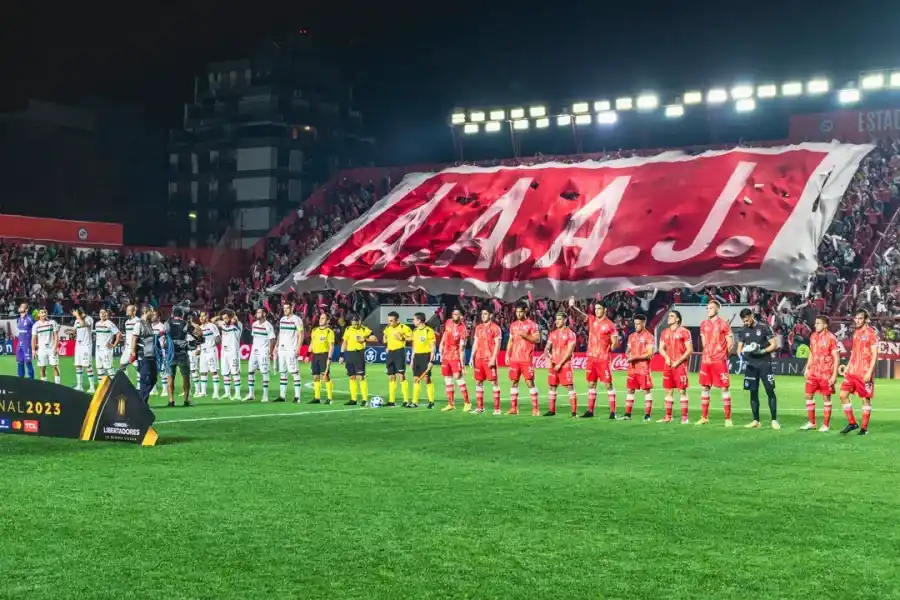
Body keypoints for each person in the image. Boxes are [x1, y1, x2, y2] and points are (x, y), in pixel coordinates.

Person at [569, 297, 618, 419]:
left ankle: (613, 412)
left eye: (599, 309)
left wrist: (607, 351)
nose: (597, 311)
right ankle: (590, 411)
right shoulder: (592, 320)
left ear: (605, 310)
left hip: (603, 359)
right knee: (591, 384)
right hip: (591, 358)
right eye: (595, 309)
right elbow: (581, 315)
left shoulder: (610, 325)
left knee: (608, 385)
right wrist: (572, 307)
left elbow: (615, 343)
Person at [737, 308, 780, 429]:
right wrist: (741, 354)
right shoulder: (742, 330)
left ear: (752, 316)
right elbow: (739, 347)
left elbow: (774, 344)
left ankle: (774, 420)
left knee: (769, 390)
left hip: (764, 363)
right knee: (753, 392)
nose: (746, 323)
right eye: (744, 321)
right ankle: (756, 420)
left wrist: (762, 351)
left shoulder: (764, 327)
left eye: (747, 320)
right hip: (751, 365)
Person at [838, 309, 879, 435]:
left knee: (865, 399)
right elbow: (854, 352)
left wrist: (869, 373)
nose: (857, 320)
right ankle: (852, 423)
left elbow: (875, 355)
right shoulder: (855, 333)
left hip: (864, 371)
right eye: (856, 318)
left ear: (866, 319)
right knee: (843, 395)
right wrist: (848, 366)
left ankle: (864, 428)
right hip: (852, 371)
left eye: (860, 318)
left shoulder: (871, 333)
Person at [697, 300, 734, 426]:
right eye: (708, 308)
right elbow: (703, 342)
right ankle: (704, 417)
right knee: (705, 387)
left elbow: (730, 343)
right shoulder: (703, 324)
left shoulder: (723, 324)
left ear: (717, 309)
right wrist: (708, 352)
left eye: (711, 308)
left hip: (719, 360)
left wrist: (724, 355)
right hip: (706, 360)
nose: (708, 310)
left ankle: (728, 419)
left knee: (724, 387)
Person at [802, 315, 840, 432]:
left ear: (825, 325)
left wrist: (834, 375)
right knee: (808, 395)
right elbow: (812, 353)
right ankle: (812, 423)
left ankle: (825, 425)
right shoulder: (813, 336)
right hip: (813, 371)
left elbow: (836, 357)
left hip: (826, 373)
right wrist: (807, 368)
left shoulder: (831, 338)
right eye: (815, 323)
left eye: (818, 323)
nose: (815, 325)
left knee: (826, 398)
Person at [658, 309, 692, 424]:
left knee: (682, 391)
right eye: (669, 316)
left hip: (680, 366)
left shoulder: (684, 332)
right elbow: (661, 349)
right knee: (668, 391)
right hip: (668, 365)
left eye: (671, 316)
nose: (669, 317)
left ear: (677, 319)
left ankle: (684, 418)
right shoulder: (664, 332)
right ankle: (668, 417)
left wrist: (678, 361)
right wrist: (667, 358)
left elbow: (689, 350)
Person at [507, 302, 540, 416]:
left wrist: (525, 336)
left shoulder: (532, 325)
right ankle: (514, 408)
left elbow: (537, 340)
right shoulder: (513, 325)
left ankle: (535, 409)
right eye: (516, 311)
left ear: (526, 311)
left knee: (529, 382)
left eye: (520, 311)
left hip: (526, 358)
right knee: (514, 382)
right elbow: (510, 341)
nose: (518, 314)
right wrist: (507, 354)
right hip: (515, 358)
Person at [166, 306, 203, 407]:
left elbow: (164, 335)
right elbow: (199, 333)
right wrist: (192, 323)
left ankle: (171, 400)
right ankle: (186, 399)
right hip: (182, 353)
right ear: (182, 315)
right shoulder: (185, 324)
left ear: (173, 314)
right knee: (185, 377)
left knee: (170, 378)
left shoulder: (168, 323)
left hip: (171, 353)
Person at [543, 312, 577, 417]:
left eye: (559, 319)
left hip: (565, 364)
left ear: (565, 320)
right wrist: (547, 356)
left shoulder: (570, 334)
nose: (557, 321)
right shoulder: (552, 334)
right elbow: (546, 349)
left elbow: (570, 352)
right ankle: (551, 411)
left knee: (570, 387)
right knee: (552, 386)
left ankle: (574, 412)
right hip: (554, 364)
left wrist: (560, 364)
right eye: (556, 319)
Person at [469, 308, 502, 415]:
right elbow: (475, 343)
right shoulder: (478, 328)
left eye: (485, 313)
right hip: (479, 358)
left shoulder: (495, 328)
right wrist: (471, 357)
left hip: (489, 359)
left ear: (491, 315)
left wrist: (493, 358)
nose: (483, 315)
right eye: (482, 314)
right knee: (478, 382)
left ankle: (497, 409)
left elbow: (498, 345)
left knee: (494, 382)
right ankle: (480, 407)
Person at [340, 314, 377, 406]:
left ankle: (364, 399)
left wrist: (364, 339)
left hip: (358, 354)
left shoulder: (364, 329)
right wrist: (341, 355)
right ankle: (353, 399)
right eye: (354, 324)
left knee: (360, 377)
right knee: (352, 377)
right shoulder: (348, 329)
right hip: (349, 354)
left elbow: (375, 338)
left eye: (357, 324)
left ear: (360, 322)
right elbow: (344, 342)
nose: (355, 326)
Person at [624, 314, 654, 422]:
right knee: (630, 390)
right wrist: (628, 355)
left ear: (644, 323)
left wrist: (635, 357)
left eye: (638, 324)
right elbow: (627, 350)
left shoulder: (649, 336)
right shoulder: (631, 336)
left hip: (643, 368)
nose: (636, 326)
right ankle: (627, 414)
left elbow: (649, 354)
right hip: (632, 368)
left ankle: (647, 415)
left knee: (646, 391)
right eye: (635, 324)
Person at [439, 308, 470, 411]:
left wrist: (463, 365)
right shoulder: (448, 322)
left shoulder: (463, 329)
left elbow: (462, 349)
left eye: (457, 314)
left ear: (461, 316)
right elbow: (445, 334)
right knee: (447, 378)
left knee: (458, 377)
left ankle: (467, 403)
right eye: (454, 314)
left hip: (455, 355)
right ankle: (450, 404)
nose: (454, 316)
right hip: (446, 355)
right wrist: (441, 343)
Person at [245, 308, 276, 402]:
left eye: (259, 312)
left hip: (263, 351)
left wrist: (270, 352)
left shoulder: (268, 325)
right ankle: (251, 394)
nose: (257, 314)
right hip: (254, 351)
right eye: (257, 312)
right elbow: (254, 337)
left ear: (264, 314)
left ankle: (265, 396)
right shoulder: (254, 324)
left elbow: (272, 340)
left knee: (264, 372)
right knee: (250, 371)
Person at [383, 311, 412, 407]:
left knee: (401, 376)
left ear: (397, 320)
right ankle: (391, 401)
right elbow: (385, 335)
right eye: (388, 320)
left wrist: (402, 338)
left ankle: (406, 400)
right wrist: (385, 340)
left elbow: (411, 337)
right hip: (390, 353)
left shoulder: (403, 327)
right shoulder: (387, 328)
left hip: (399, 352)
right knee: (391, 376)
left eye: (391, 320)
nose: (389, 322)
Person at [276, 303, 304, 403]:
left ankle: (297, 397)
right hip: (281, 349)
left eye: (287, 308)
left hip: (291, 349)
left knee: (294, 372)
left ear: (292, 308)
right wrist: (276, 346)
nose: (285, 310)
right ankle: (282, 396)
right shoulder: (282, 319)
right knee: (282, 372)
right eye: (284, 308)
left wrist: (298, 348)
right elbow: (280, 333)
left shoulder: (297, 319)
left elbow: (301, 334)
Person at [130, 307, 159, 403]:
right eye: (152, 312)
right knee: (145, 379)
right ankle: (142, 402)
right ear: (146, 312)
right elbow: (134, 338)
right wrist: (133, 352)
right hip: (143, 355)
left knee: (153, 379)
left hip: (152, 355)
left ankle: (141, 399)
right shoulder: (139, 324)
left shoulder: (149, 324)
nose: (153, 314)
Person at [215, 310, 243, 399]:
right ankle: (227, 393)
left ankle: (238, 394)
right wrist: (220, 317)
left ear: (231, 318)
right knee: (225, 373)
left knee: (235, 372)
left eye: (226, 318)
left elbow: (236, 320)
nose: (225, 320)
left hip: (233, 352)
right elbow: (212, 321)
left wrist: (233, 317)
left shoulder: (238, 326)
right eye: (224, 318)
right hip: (224, 352)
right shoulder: (223, 324)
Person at [308, 313, 335, 404]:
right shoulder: (314, 330)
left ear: (327, 321)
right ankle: (317, 398)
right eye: (320, 318)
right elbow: (312, 343)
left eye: (323, 318)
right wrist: (308, 355)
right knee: (315, 377)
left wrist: (329, 358)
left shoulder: (329, 332)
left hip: (324, 355)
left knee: (325, 376)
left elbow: (331, 346)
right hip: (315, 356)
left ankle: (329, 398)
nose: (320, 319)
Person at [31, 309, 61, 384]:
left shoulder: (52, 322)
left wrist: (55, 347)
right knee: (42, 368)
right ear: (39, 315)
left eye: (45, 312)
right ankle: (44, 386)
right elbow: (33, 339)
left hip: (51, 348)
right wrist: (33, 351)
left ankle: (57, 386)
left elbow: (56, 336)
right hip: (41, 350)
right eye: (42, 313)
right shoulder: (35, 325)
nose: (44, 314)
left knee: (55, 366)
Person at [197, 311, 222, 399]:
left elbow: (218, 337)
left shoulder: (212, 326)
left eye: (203, 316)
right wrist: (199, 349)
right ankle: (203, 392)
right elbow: (199, 341)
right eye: (200, 316)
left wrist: (212, 346)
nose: (201, 318)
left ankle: (216, 393)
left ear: (207, 317)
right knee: (203, 371)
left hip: (211, 351)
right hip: (203, 352)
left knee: (213, 371)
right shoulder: (200, 328)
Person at [93, 308, 121, 381]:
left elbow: (118, 334)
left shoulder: (110, 324)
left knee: (109, 368)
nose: (102, 314)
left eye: (104, 312)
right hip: (98, 349)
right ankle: (102, 387)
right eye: (101, 312)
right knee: (99, 368)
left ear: (107, 314)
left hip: (106, 349)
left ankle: (115, 386)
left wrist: (114, 345)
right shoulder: (97, 324)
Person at [73, 308, 95, 393]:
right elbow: (75, 330)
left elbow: (82, 324)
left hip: (86, 345)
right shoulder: (76, 320)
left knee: (87, 366)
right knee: (78, 365)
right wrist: (70, 331)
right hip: (78, 345)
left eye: (75, 312)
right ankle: (79, 385)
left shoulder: (89, 319)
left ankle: (92, 387)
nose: (74, 314)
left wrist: (77, 315)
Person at [120, 304, 141, 386]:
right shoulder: (127, 322)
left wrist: (135, 348)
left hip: (134, 348)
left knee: (138, 368)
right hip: (127, 348)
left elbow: (137, 336)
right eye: (127, 310)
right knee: (122, 366)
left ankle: (140, 386)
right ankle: (127, 383)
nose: (127, 311)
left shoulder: (137, 321)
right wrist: (125, 344)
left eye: (129, 310)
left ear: (133, 311)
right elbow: (127, 335)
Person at [15, 302, 35, 379]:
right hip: (19, 344)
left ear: (26, 310)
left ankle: (31, 381)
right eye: (20, 306)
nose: (19, 308)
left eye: (22, 307)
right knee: (20, 362)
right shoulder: (18, 320)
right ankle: (21, 380)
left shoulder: (30, 319)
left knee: (28, 362)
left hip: (27, 344)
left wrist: (35, 344)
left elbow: (36, 330)